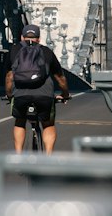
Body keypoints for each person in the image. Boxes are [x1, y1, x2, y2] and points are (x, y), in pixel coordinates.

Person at [5, 24, 69, 154]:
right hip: (44, 95)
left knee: (20, 121)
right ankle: (49, 156)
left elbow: (9, 76)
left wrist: (9, 94)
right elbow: (60, 78)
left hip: (20, 95)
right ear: (39, 39)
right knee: (48, 124)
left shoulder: (14, 50)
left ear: (22, 37)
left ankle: (18, 155)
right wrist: (65, 94)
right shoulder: (46, 52)